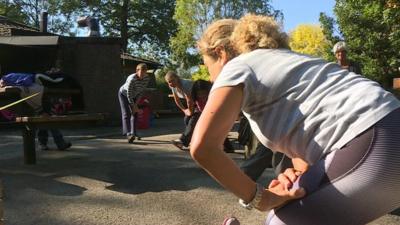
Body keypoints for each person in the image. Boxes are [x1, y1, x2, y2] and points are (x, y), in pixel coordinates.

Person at [190, 14, 400, 225]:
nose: (209, 78)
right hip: (386, 130)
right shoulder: (291, 61)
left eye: (207, 65)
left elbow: (203, 147)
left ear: (221, 53)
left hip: (374, 138)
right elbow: (309, 146)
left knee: (281, 220)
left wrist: (260, 198)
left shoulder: (237, 66)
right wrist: (296, 175)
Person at [118, 63, 149, 143]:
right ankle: (128, 134)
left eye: (144, 73)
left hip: (135, 95)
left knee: (135, 113)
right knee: (126, 113)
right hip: (124, 94)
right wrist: (133, 105)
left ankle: (134, 133)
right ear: (137, 71)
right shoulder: (132, 79)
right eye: (141, 73)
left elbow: (141, 92)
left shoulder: (146, 78)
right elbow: (129, 94)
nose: (142, 76)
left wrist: (136, 104)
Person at [164, 71, 194, 150]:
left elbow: (189, 100)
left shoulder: (185, 84)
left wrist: (190, 111)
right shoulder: (173, 87)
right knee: (187, 119)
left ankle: (182, 141)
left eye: (172, 81)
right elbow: (176, 99)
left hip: (200, 100)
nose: (170, 83)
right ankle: (192, 139)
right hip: (192, 102)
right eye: (168, 82)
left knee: (193, 120)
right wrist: (184, 110)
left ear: (177, 78)